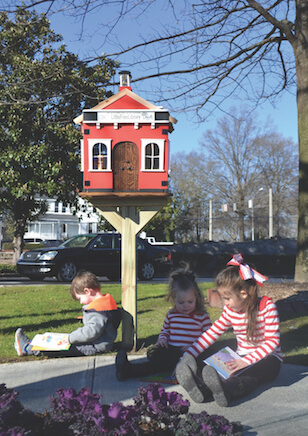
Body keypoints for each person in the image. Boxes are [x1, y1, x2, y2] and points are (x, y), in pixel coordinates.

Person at [176, 253, 282, 407]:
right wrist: (188, 354)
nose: (224, 302)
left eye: (227, 298)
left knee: (251, 374)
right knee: (216, 366)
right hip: (241, 355)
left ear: (243, 294)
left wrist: (245, 361)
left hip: (268, 359)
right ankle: (202, 389)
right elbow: (212, 333)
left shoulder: (266, 307)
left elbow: (272, 342)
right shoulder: (230, 310)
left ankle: (229, 390)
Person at [115, 264, 212, 381]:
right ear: (173, 299)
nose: (186, 306)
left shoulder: (201, 316)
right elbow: (165, 331)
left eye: (190, 302)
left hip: (193, 353)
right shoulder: (172, 315)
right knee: (154, 365)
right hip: (171, 352)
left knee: (201, 364)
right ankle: (127, 370)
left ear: (197, 298)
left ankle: (193, 376)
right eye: (181, 302)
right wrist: (162, 339)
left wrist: (194, 346)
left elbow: (208, 336)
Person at [14, 270, 122, 357]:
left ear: (87, 291)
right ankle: (31, 345)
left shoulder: (98, 310)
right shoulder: (105, 305)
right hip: (97, 343)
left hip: (94, 346)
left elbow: (90, 333)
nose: (81, 302)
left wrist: (69, 338)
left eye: (80, 298)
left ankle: (26, 348)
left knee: (58, 348)